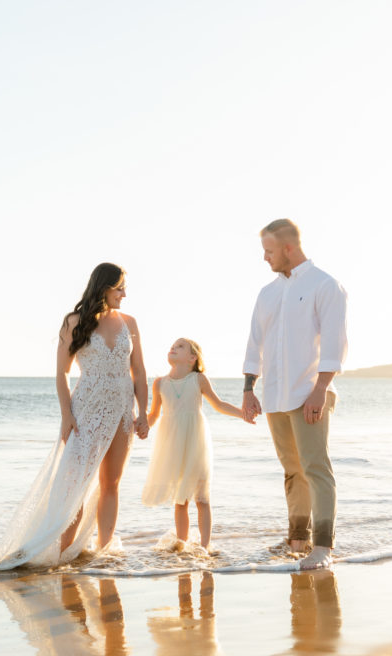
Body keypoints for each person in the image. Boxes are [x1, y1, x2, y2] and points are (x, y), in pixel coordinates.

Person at [0, 263, 149, 571]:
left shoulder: (130, 322)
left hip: (123, 411)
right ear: (104, 287)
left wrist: (144, 413)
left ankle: (104, 550)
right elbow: (62, 373)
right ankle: (62, 555)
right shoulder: (74, 321)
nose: (124, 294)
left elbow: (139, 372)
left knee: (111, 482)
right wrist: (66, 415)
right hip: (86, 410)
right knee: (76, 486)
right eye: (120, 287)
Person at [242, 219, 348, 570]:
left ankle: (322, 548)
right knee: (292, 470)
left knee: (316, 468)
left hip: (308, 393)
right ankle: (297, 539)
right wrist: (248, 389)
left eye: (269, 251)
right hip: (274, 395)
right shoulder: (267, 293)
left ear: (288, 248)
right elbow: (255, 343)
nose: (265, 258)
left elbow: (335, 344)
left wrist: (320, 390)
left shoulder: (325, 285)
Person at [141, 338, 243, 549]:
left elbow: (219, 404)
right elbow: (153, 415)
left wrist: (242, 414)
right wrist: (140, 425)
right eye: (172, 346)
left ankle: (205, 547)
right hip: (172, 444)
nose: (173, 348)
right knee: (180, 499)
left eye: (180, 346)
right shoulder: (160, 383)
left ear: (192, 358)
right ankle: (182, 545)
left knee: (201, 497)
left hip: (196, 442)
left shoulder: (198, 379)